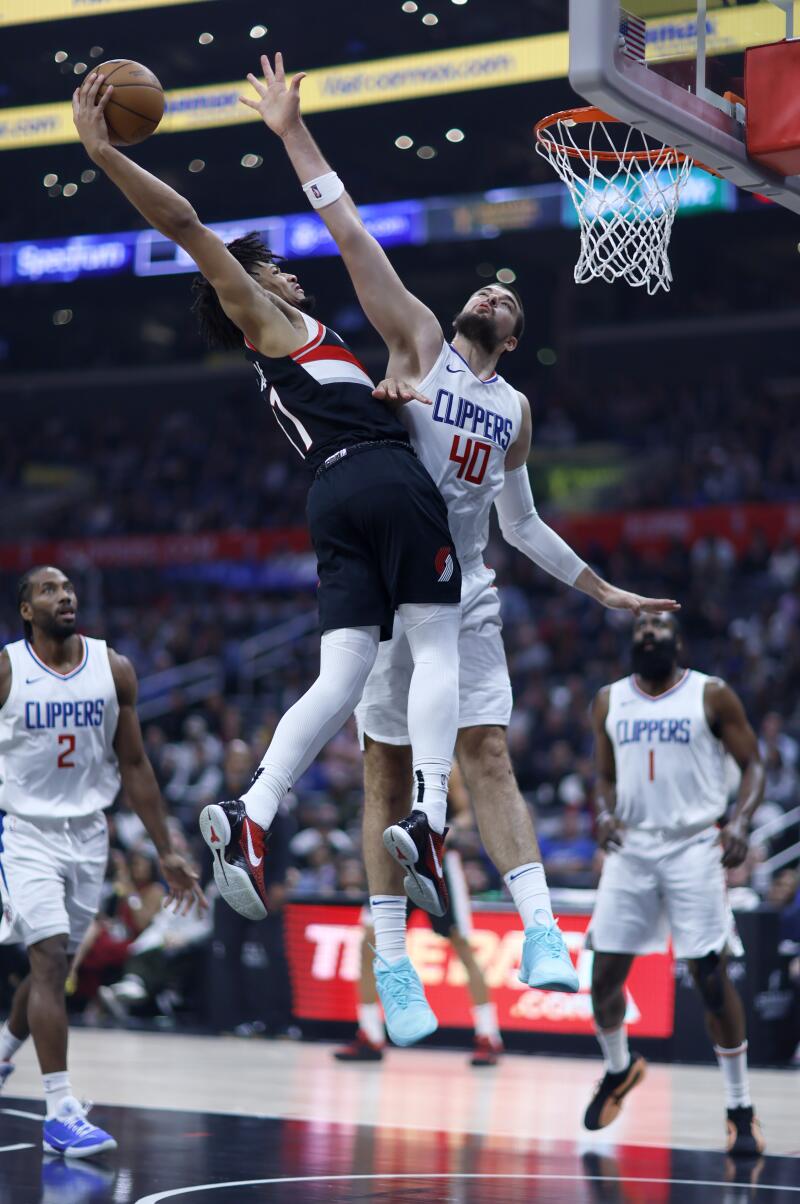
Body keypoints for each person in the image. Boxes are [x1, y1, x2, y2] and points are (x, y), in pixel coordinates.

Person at [240, 52, 680, 1043]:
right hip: (387, 575)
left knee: (489, 753)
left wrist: (602, 589)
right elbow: (350, 233)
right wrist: (292, 133)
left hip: (462, 591)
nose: (490, 294)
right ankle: (394, 964)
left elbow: (521, 524)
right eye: (483, 288)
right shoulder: (420, 344)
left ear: (513, 336)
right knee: (382, 776)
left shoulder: (514, 410)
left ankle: (540, 932)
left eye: (505, 299)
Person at [72, 72, 464, 1009]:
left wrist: (394, 395)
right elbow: (185, 225)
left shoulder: (303, 347)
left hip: (332, 498)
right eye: (274, 271)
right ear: (256, 285)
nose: (291, 276)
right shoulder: (271, 319)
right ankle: (431, 813)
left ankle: (252, 810)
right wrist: (103, 153)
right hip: (383, 482)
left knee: (342, 675)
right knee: (438, 642)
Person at [0, 566, 203, 1159]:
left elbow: (134, 765)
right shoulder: (9, 669)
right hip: (27, 834)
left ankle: (4, 1051)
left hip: (90, 834)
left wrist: (166, 848)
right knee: (46, 960)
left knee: (55, 962)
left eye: (67, 588)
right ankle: (60, 1111)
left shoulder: (112, 668)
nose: (64, 595)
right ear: (26, 611)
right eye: (48, 590)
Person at [585, 612, 766, 1157]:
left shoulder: (712, 695)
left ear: (678, 642)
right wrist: (603, 813)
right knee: (603, 979)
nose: (648, 632)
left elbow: (754, 765)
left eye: (658, 626)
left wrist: (739, 823)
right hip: (632, 847)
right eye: (640, 626)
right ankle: (620, 1068)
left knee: (710, 978)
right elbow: (604, 777)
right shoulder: (608, 701)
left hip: (694, 845)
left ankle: (740, 1107)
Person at [335, 766, 502, 1062]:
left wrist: (447, 831)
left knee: (462, 945)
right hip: (392, 863)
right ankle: (370, 1033)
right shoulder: (388, 754)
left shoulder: (446, 764)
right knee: (368, 943)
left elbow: (465, 815)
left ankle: (488, 1035)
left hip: (434, 861)